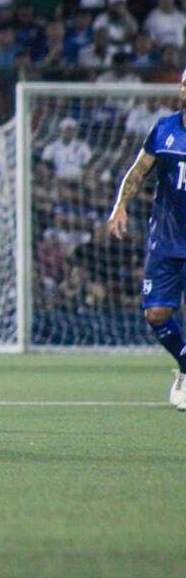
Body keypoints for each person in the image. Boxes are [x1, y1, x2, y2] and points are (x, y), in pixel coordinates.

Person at [107, 68, 186, 410]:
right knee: (156, 314)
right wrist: (120, 206)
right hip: (166, 239)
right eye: (184, 83)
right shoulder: (164, 129)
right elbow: (138, 171)